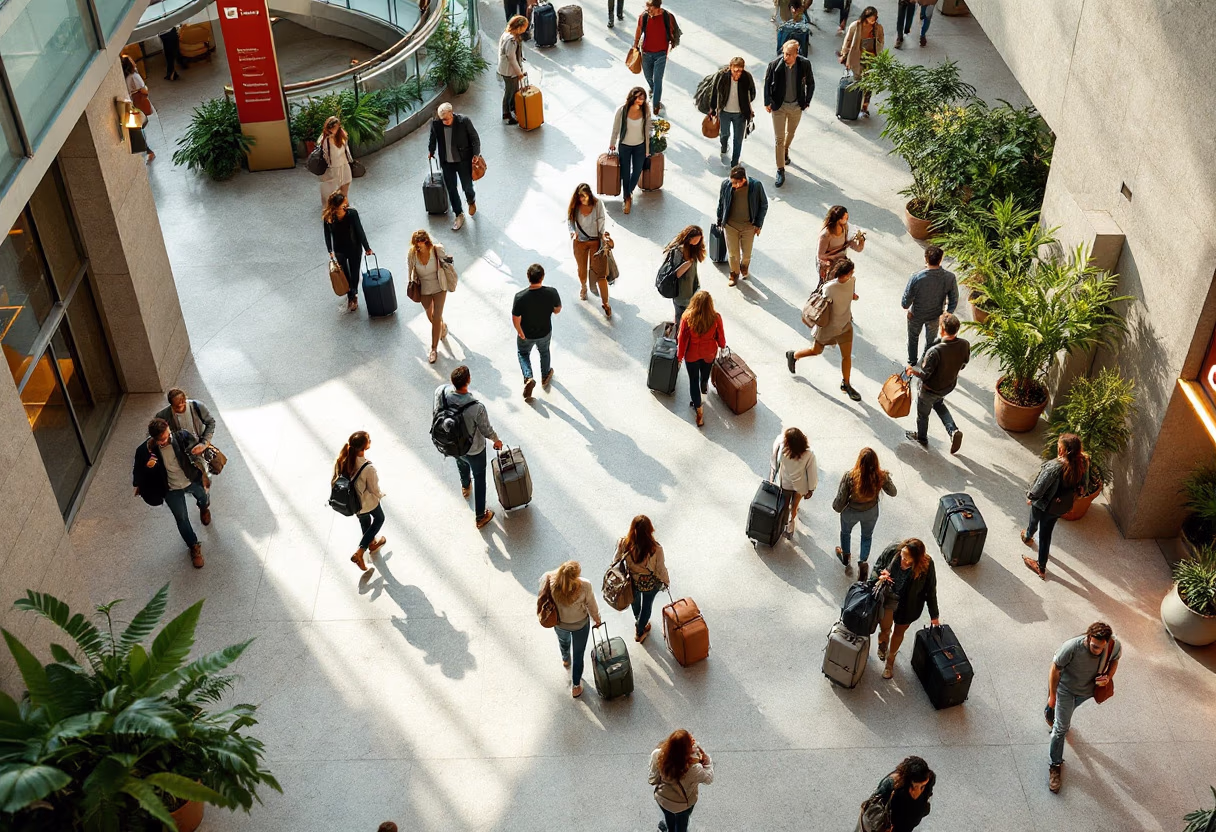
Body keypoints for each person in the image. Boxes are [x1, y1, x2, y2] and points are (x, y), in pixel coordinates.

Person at [1045, 622, 1120, 793]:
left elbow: (1115, 659)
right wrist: (1053, 695)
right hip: (1065, 690)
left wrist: (1108, 677)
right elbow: (1055, 669)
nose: (1098, 651)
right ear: (1088, 637)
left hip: (1087, 692)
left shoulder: (1113, 645)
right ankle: (1055, 765)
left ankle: (1053, 713)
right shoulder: (1071, 647)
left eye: (1101, 647)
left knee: (1065, 714)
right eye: (1094, 646)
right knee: (1060, 729)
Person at [132, 418, 210, 568]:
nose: (167, 440)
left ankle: (204, 507)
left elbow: (198, 454)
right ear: (154, 438)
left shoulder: (182, 437)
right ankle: (193, 546)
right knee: (181, 518)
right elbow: (137, 475)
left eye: (168, 435)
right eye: (162, 439)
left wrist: (198, 452)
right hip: (170, 488)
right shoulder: (144, 451)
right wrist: (148, 468)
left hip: (191, 479)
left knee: (203, 497)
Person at [434, 365, 503, 529]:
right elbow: (486, 430)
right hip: (474, 450)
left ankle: (465, 485)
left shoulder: (441, 393)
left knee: (461, 461)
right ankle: (480, 516)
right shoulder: (476, 407)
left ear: (452, 382)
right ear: (468, 380)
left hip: (453, 445)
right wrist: (496, 440)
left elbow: (437, 413)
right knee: (480, 478)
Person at [785, 259, 863, 402]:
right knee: (816, 351)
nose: (852, 274)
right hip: (828, 328)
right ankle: (793, 355)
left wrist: (854, 297)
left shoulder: (852, 281)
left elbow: (851, 294)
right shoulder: (829, 288)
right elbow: (821, 306)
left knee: (846, 356)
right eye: (850, 272)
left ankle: (846, 384)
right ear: (843, 274)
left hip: (845, 326)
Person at [867, 538, 939, 679]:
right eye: (903, 556)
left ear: (917, 560)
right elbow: (877, 566)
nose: (904, 561)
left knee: (898, 633)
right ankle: (883, 644)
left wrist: (934, 616)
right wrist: (879, 577)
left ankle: (890, 661)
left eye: (908, 560)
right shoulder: (893, 550)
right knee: (885, 628)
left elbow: (931, 590)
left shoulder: (927, 564)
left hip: (909, 606)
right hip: (888, 599)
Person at [1022, 433, 1088, 579]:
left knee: (1034, 521)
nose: (1058, 449)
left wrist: (1031, 497)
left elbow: (1039, 487)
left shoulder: (1054, 467)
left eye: (1059, 447)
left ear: (1064, 450)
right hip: (1060, 507)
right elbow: (1083, 487)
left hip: (1043, 504)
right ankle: (1041, 567)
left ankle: (1028, 536)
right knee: (1046, 534)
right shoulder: (1082, 463)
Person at [904, 312, 968, 453]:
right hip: (947, 386)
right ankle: (953, 430)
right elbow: (963, 364)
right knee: (939, 404)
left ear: (942, 329)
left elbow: (925, 376)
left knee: (923, 414)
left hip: (930, 389)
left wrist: (912, 371)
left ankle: (922, 438)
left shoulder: (934, 351)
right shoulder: (964, 344)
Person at [539, 560, 603, 698]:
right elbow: (592, 605)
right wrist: (597, 620)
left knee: (563, 642)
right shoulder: (585, 585)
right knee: (579, 654)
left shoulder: (551, 582)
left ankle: (565, 658)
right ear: (575, 577)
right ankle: (576, 686)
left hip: (560, 623)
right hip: (580, 625)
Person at [833, 448, 897, 582]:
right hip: (871, 511)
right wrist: (886, 477)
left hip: (851, 511)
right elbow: (893, 492)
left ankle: (846, 556)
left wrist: (837, 507)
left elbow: (840, 501)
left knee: (845, 533)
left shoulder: (850, 476)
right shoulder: (881, 476)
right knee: (866, 537)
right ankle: (862, 563)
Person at [762, 40, 814, 188]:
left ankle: (785, 150)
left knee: (790, 133)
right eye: (784, 53)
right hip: (779, 106)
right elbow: (766, 83)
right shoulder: (774, 65)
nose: (786, 57)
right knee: (779, 138)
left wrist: (807, 100)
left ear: (797, 54)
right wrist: (767, 102)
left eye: (789, 54)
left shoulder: (804, 64)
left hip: (796, 106)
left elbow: (811, 82)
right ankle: (780, 169)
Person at [332, 431, 385, 573]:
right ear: (365, 447)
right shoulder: (368, 468)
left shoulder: (342, 459)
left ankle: (372, 543)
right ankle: (360, 552)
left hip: (353, 503)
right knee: (379, 518)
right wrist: (381, 495)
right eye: (369, 440)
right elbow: (373, 489)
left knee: (364, 521)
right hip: (367, 502)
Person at [613, 515, 670, 642]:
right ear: (650, 530)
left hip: (632, 581)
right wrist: (666, 581)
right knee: (647, 605)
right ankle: (640, 629)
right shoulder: (656, 549)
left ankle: (638, 620)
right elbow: (660, 569)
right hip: (649, 584)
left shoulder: (624, 543)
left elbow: (616, 560)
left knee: (635, 601)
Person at [428, 103, 483, 231]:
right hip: (447, 162)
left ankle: (471, 201)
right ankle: (458, 214)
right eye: (442, 120)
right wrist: (431, 151)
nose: (444, 122)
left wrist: (476, 154)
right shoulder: (436, 124)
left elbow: (474, 138)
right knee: (451, 189)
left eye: (447, 119)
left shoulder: (464, 121)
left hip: (463, 160)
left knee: (467, 186)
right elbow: (433, 138)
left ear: (452, 113)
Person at [901, 245, 958, 366]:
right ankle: (926, 361)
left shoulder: (916, 277)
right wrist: (947, 313)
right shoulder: (950, 277)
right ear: (940, 259)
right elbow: (954, 298)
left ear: (926, 259)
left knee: (913, 338)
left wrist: (907, 307)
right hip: (935, 315)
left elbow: (905, 302)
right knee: (930, 341)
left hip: (916, 314)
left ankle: (912, 361)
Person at [676, 291, 726, 428]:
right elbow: (720, 336)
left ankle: (699, 411)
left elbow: (682, 340)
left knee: (693, 381)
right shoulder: (715, 317)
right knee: (704, 376)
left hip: (692, 355)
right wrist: (722, 345)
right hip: (709, 353)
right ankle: (704, 388)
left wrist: (679, 357)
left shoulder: (687, 318)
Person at [512, 265, 562, 399]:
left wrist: (520, 331)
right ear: (542, 277)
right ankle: (545, 376)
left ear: (528, 277)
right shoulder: (551, 292)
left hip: (526, 333)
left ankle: (528, 377)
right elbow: (557, 309)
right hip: (544, 331)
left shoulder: (520, 297)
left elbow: (516, 318)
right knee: (544, 352)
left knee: (523, 353)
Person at [648, 730, 713, 832]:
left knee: (668, 816)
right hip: (683, 804)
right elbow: (709, 779)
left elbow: (654, 775)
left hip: (662, 798)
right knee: (681, 824)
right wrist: (707, 760)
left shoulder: (657, 755)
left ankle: (670, 828)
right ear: (687, 749)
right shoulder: (694, 768)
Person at [715, 165, 768, 286]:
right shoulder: (726, 185)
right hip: (730, 226)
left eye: (734, 183)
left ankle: (744, 266)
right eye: (731, 181)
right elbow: (721, 202)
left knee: (747, 254)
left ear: (743, 180)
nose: (732, 185)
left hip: (749, 227)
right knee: (733, 254)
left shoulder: (756, 186)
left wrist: (758, 225)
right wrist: (719, 220)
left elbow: (763, 205)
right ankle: (734, 273)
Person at [407, 230, 454, 364]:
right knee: (431, 317)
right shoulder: (412, 254)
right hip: (424, 289)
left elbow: (446, 263)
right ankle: (442, 327)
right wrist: (411, 283)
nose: (418, 247)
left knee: (437, 316)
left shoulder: (436, 250)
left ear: (426, 242)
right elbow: (410, 270)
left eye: (420, 245)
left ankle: (433, 349)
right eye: (416, 245)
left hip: (439, 287)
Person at [323, 190, 373, 313]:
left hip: (354, 247)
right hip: (339, 249)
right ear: (336, 207)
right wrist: (330, 250)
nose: (346, 205)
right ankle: (350, 294)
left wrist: (367, 247)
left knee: (355, 271)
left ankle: (353, 294)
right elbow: (327, 234)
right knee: (344, 273)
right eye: (343, 204)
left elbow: (359, 231)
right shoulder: (329, 218)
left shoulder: (352, 214)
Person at [857, 756, 935, 832]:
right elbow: (874, 803)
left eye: (922, 786)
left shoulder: (929, 779)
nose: (917, 791)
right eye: (915, 786)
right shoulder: (892, 783)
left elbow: (927, 796)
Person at [608, 87, 653, 216]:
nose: (641, 100)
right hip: (625, 146)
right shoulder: (622, 110)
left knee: (638, 170)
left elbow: (647, 130)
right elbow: (615, 128)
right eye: (639, 97)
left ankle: (628, 193)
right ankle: (626, 198)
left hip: (640, 146)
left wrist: (647, 149)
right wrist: (612, 143)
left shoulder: (645, 111)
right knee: (625, 173)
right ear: (632, 97)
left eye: (643, 98)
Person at [567, 183, 611, 313]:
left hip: (594, 241)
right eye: (581, 197)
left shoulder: (597, 204)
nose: (583, 200)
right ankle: (583, 286)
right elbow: (570, 220)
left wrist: (602, 235)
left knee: (599, 272)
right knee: (581, 269)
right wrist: (572, 232)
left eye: (585, 197)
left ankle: (605, 302)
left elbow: (602, 219)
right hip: (579, 242)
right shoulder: (575, 205)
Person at [632, 0, 679, 114]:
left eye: (651, 10)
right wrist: (635, 44)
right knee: (648, 76)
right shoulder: (644, 16)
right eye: (648, 9)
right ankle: (653, 90)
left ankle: (656, 105)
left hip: (661, 54)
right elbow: (639, 29)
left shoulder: (667, 17)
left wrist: (672, 42)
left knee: (658, 80)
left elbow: (674, 31)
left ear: (658, 8)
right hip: (646, 52)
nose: (649, 12)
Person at [770, 427, 818, 538]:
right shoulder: (809, 454)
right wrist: (811, 489)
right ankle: (791, 525)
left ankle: (785, 525)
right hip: (801, 486)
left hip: (786, 484)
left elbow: (776, 462)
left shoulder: (784, 450)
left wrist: (773, 478)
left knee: (785, 506)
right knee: (794, 506)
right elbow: (812, 473)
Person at [708, 57, 756, 168]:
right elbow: (715, 92)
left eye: (740, 70)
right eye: (735, 70)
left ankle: (734, 162)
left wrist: (745, 104)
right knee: (724, 133)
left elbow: (752, 93)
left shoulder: (746, 77)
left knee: (738, 139)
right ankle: (724, 145)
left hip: (740, 114)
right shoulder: (722, 76)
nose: (738, 73)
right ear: (730, 68)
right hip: (725, 111)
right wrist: (713, 108)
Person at [839, 6, 883, 116]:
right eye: (871, 18)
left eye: (875, 18)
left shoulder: (878, 28)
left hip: (871, 59)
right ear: (866, 17)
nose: (873, 21)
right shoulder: (855, 26)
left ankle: (865, 106)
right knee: (858, 82)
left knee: (869, 83)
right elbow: (848, 40)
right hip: (857, 58)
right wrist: (844, 54)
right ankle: (855, 104)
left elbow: (881, 41)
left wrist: (879, 54)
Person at [664, 226, 705, 325]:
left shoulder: (693, 249)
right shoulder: (679, 251)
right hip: (681, 294)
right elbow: (676, 274)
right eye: (695, 239)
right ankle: (678, 335)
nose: (697, 242)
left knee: (684, 319)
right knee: (681, 320)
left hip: (690, 289)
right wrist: (688, 263)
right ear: (689, 238)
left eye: (699, 240)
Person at [817, 205, 865, 280]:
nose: (847, 220)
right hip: (830, 264)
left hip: (842, 262)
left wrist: (861, 240)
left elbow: (853, 245)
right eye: (845, 218)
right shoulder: (825, 235)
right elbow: (820, 255)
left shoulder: (845, 227)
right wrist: (835, 257)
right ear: (839, 220)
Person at [121, 56, 154, 163]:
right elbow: (143, 90)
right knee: (142, 123)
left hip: (132, 103)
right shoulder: (134, 76)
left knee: (140, 125)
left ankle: (147, 149)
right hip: (138, 102)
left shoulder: (125, 78)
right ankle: (147, 149)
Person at [497, 15, 527, 124]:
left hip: (508, 70)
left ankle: (513, 109)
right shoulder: (511, 39)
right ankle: (507, 115)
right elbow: (511, 58)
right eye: (524, 27)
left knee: (513, 91)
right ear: (519, 27)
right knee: (509, 92)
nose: (525, 29)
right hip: (509, 72)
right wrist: (519, 73)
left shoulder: (507, 34)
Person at [317, 116, 353, 203]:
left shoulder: (342, 135)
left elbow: (346, 149)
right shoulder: (325, 140)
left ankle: (344, 202)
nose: (333, 130)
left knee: (347, 183)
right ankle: (337, 206)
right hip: (334, 167)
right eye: (331, 127)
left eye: (335, 127)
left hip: (344, 164)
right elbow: (325, 156)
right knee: (336, 189)